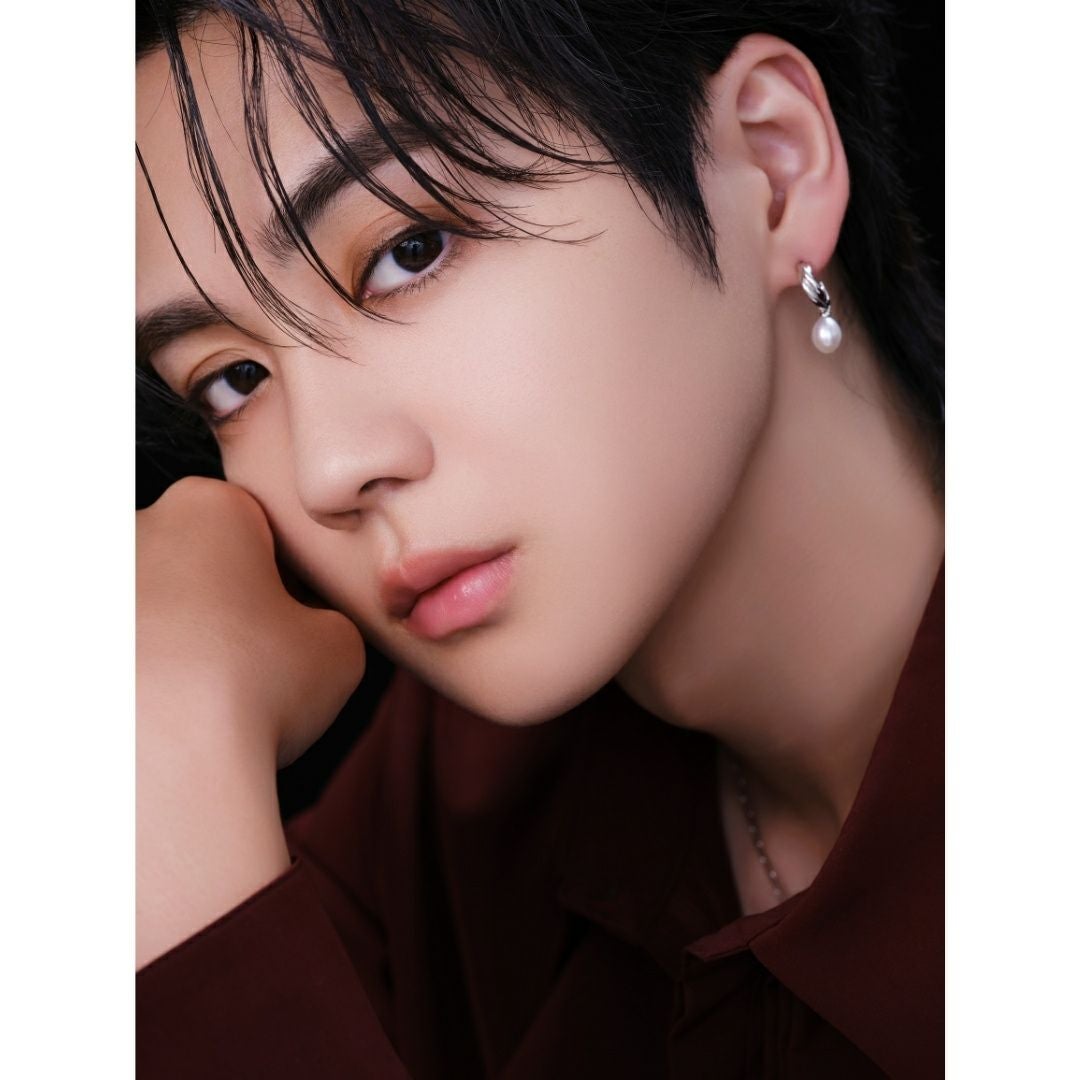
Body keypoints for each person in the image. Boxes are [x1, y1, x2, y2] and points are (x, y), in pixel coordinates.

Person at [135, 1, 944, 1076]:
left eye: (407, 250)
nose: (327, 470)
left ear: (772, 166)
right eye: (233, 380)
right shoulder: (457, 806)